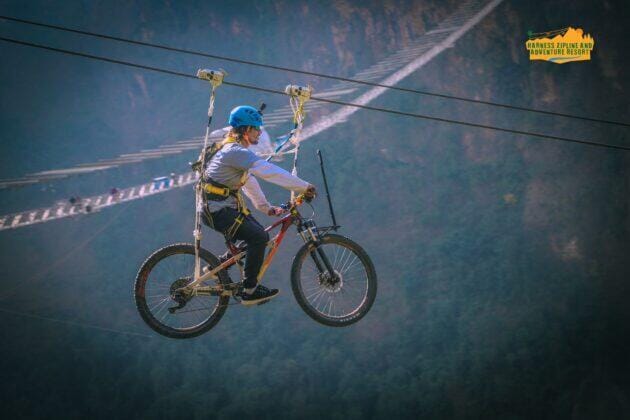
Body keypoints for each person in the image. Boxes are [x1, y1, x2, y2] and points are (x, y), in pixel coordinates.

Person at [203, 105, 316, 305]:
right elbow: (268, 171)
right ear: (246, 130)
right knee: (259, 237)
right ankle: (250, 290)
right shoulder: (235, 151)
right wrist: (304, 187)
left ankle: (216, 267)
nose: (259, 132)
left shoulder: (234, 150)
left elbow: (248, 181)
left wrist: (266, 208)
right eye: (256, 128)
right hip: (217, 211)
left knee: (256, 232)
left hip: (219, 208)